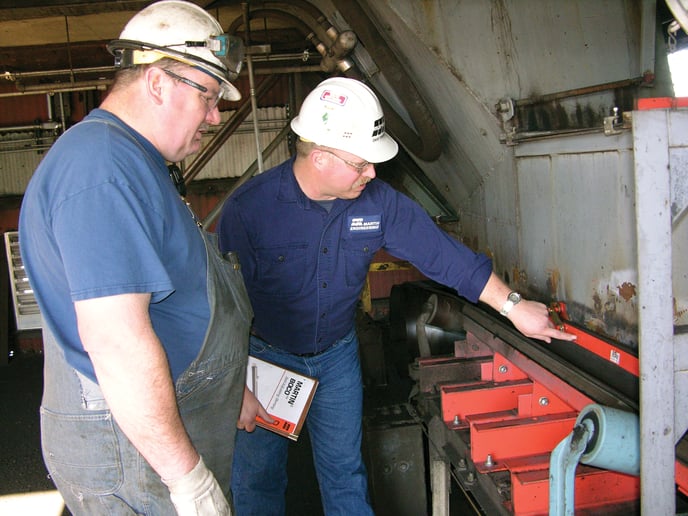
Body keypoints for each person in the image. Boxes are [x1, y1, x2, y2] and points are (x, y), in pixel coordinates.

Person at [216, 76, 577, 515]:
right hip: (265, 361)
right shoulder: (250, 209)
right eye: (361, 163)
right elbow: (222, 308)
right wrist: (235, 384)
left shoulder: (378, 203)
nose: (372, 173)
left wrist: (513, 307)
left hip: (335, 358)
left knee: (345, 474)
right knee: (257, 481)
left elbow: (443, 255)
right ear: (321, 157)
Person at [18, 1, 252, 514]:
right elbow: (117, 340)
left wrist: (232, 384)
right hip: (134, 452)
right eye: (208, 97)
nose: (215, 117)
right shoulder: (101, 168)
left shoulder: (132, 160)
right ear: (157, 83)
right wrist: (187, 479)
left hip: (155, 430)